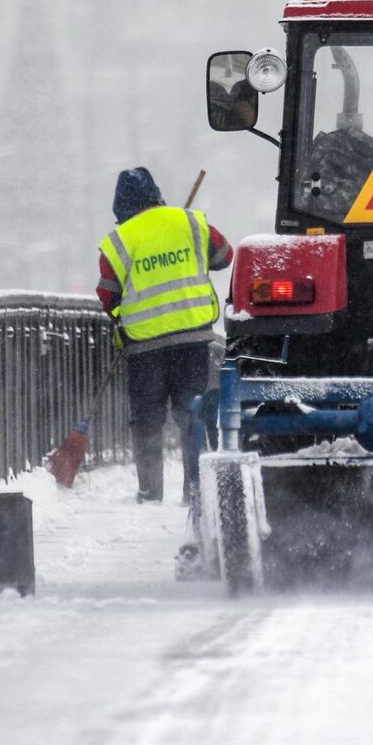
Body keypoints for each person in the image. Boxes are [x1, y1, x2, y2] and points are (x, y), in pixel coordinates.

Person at [96, 167, 232, 504]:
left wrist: (125, 317)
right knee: (191, 413)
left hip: (144, 346)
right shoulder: (191, 222)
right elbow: (224, 256)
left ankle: (150, 492)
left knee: (147, 420)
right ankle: (195, 488)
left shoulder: (119, 240)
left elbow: (108, 295)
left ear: (121, 208)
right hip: (192, 338)